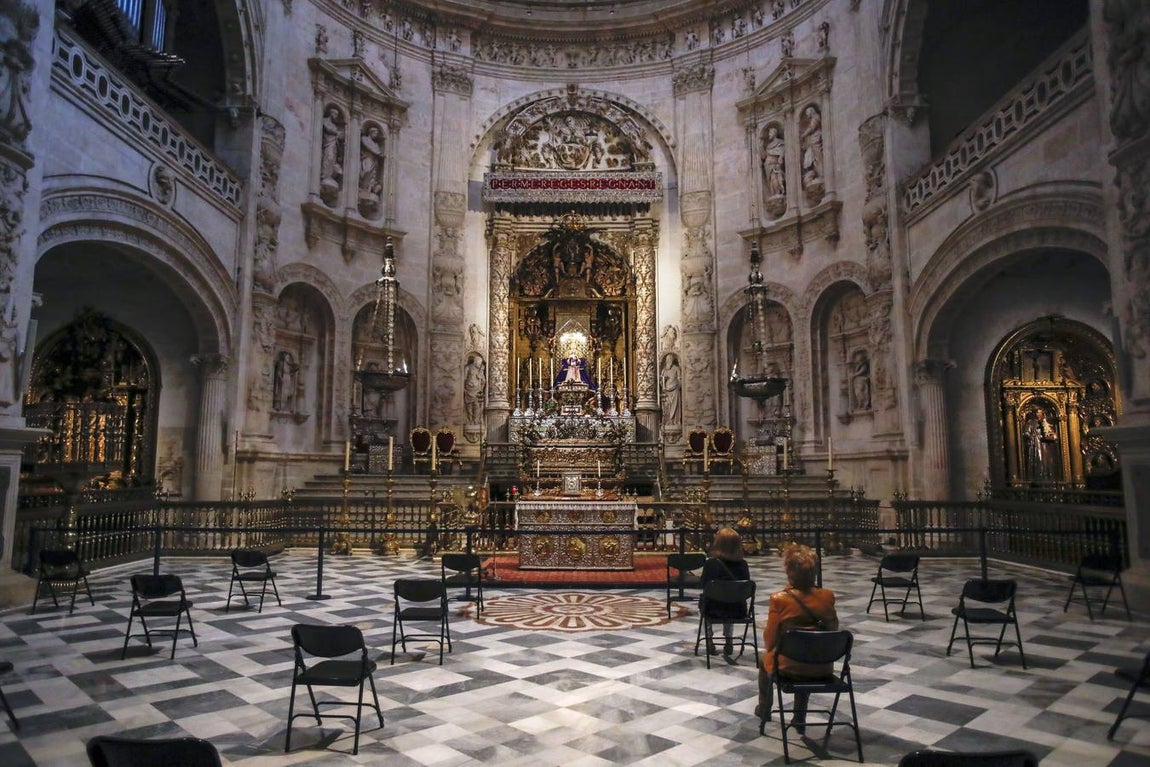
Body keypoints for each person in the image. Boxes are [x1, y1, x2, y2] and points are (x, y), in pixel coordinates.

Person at [757, 543, 839, 729]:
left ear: (789, 571)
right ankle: (799, 716)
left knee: (764, 659)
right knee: (807, 651)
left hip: (789, 667)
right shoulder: (827, 596)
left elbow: (770, 640)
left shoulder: (779, 600)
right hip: (822, 665)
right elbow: (833, 628)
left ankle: (764, 708)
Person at [700, 527, 751, 658]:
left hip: (713, 610)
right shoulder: (742, 565)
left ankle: (709, 640)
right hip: (738, 611)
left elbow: (703, 584)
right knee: (730, 598)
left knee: (708, 599)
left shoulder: (711, 564)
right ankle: (729, 640)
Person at [1023, 407, 1058, 482]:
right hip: (1036, 444)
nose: (1038, 414)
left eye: (1040, 413)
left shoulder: (1045, 422)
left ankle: (1048, 476)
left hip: (1045, 445)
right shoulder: (1031, 422)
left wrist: (1050, 435)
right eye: (1037, 412)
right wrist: (1033, 436)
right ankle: (1037, 477)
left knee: (1046, 460)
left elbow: (1052, 434)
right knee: (1038, 459)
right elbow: (1026, 433)